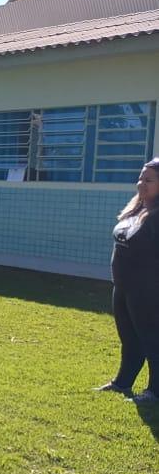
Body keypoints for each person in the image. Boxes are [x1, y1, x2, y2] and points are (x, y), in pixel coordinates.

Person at [97, 158, 159, 403]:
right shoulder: (137, 208)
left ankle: (154, 391)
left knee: (151, 339)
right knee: (129, 338)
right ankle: (122, 383)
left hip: (148, 290)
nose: (141, 183)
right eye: (141, 178)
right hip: (123, 287)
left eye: (149, 180)